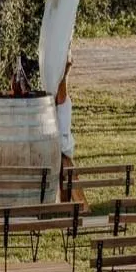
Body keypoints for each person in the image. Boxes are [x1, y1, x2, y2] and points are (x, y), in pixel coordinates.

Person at [56, 56, 86, 207]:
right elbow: (62, 94)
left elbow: (62, 92)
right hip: (62, 146)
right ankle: (68, 205)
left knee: (65, 178)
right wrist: (65, 72)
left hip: (62, 146)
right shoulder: (62, 102)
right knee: (66, 177)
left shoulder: (61, 102)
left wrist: (65, 72)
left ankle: (66, 205)